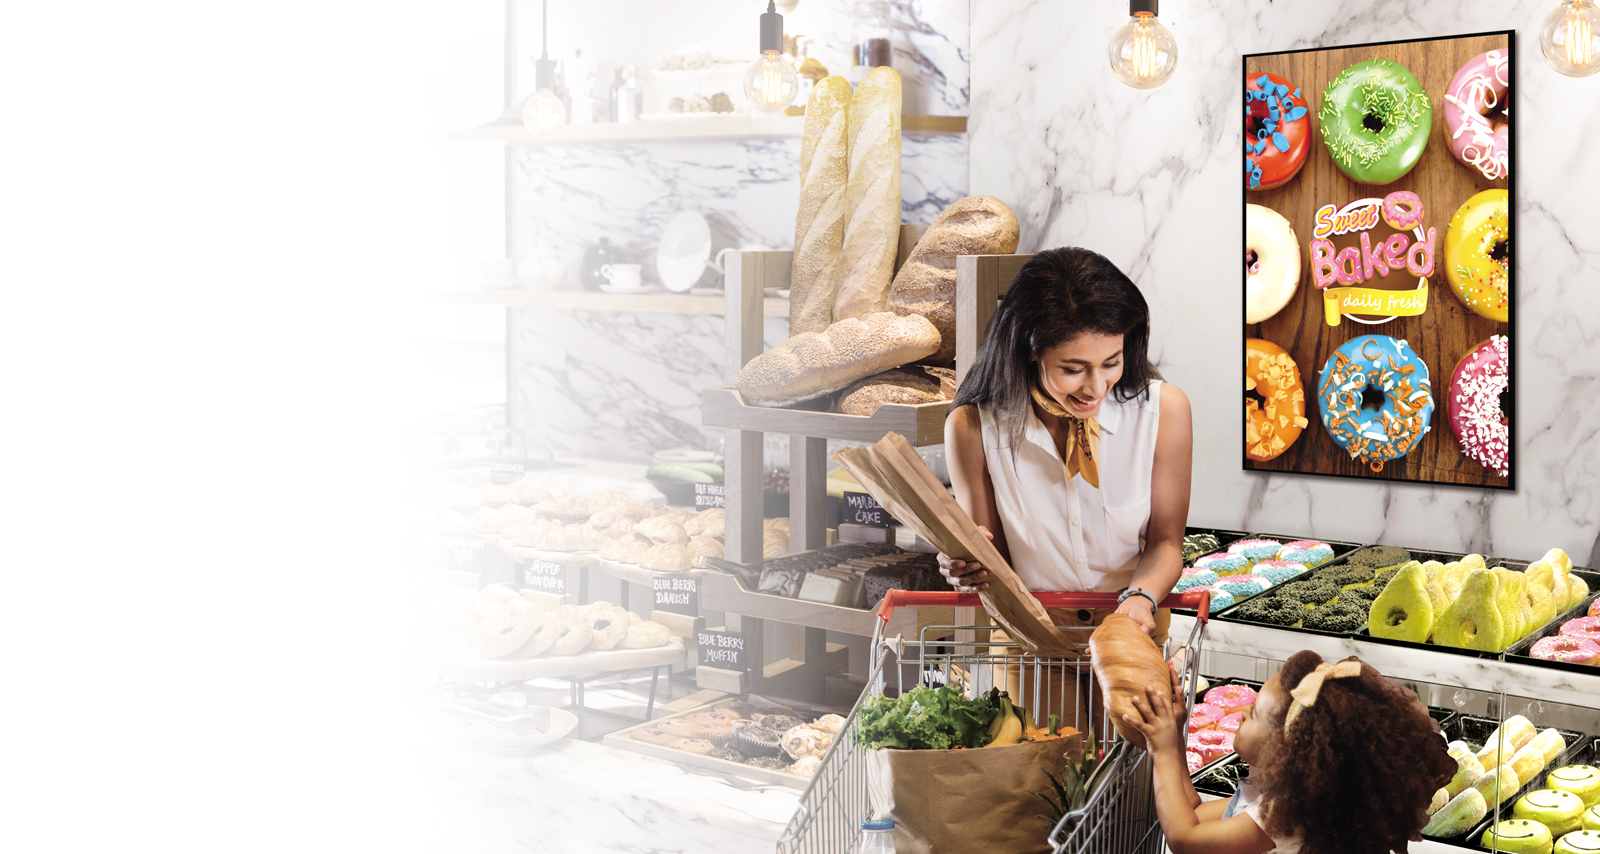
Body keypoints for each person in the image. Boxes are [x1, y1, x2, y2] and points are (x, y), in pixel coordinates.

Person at [937, 248, 1192, 724]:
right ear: (1030, 348)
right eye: (1073, 369)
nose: (1096, 387)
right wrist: (963, 564)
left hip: (1131, 631)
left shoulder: (1164, 412)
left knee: (1130, 789)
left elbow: (1165, 544)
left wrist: (1138, 602)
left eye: (1111, 363)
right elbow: (991, 558)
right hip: (1029, 640)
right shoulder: (972, 428)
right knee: (1043, 784)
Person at [1121, 650, 1456, 854]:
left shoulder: (1280, 819)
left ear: (1286, 749)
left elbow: (1185, 840)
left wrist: (1163, 751)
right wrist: (1176, 740)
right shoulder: (1285, 800)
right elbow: (1193, 814)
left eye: (1252, 714)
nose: (1240, 714)